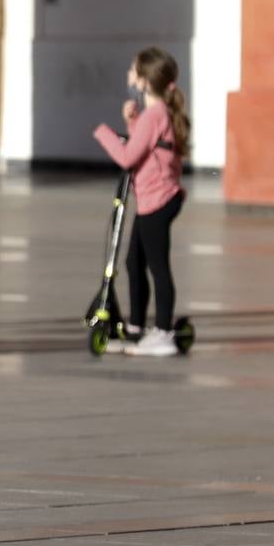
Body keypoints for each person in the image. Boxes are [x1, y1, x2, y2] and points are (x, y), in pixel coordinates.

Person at [94, 47, 189, 357]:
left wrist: (104, 133)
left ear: (145, 81)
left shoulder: (155, 114)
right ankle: (136, 328)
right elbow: (145, 147)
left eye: (133, 70)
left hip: (159, 200)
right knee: (135, 262)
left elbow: (127, 157)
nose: (129, 74)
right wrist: (132, 122)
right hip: (155, 199)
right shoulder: (155, 114)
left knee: (158, 266)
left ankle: (162, 333)